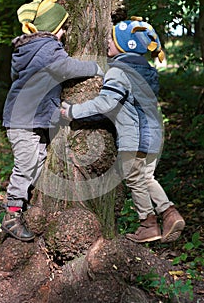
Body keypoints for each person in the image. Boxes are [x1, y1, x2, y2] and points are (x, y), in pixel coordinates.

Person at [60, 16, 185, 243]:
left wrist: (72, 112)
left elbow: (107, 103)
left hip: (133, 137)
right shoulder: (147, 71)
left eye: (111, 37)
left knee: (134, 178)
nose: (106, 40)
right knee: (147, 177)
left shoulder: (118, 72)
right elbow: (124, 102)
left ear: (125, 44)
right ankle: (169, 214)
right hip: (154, 135)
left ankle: (148, 224)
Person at [1, 0, 104, 241]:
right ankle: (11, 214)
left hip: (28, 119)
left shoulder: (30, 48)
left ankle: (23, 203)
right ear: (52, 29)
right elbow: (67, 68)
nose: (65, 33)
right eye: (62, 28)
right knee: (26, 166)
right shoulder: (48, 48)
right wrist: (96, 67)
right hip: (24, 120)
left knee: (37, 161)